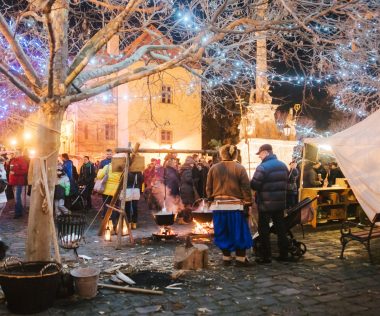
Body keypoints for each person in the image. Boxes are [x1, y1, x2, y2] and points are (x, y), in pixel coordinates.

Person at [206, 144, 253, 267]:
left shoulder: (213, 168)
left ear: (221, 154)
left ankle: (226, 258)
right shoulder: (240, 168)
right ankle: (240, 259)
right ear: (235, 154)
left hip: (219, 207)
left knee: (222, 232)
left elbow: (208, 188)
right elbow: (246, 188)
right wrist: (248, 202)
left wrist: (210, 199)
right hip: (235, 208)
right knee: (239, 232)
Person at [250, 144, 289, 264]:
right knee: (281, 229)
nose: (259, 157)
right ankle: (284, 254)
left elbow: (255, 185)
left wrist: (250, 181)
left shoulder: (262, 167)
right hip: (280, 203)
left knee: (264, 230)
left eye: (260, 154)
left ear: (266, 152)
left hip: (266, 204)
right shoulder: (283, 165)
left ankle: (266, 256)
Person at [96, 162, 122, 226]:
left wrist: (101, 170)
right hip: (116, 190)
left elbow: (99, 176)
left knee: (106, 206)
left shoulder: (107, 167)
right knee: (115, 206)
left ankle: (107, 223)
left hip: (106, 190)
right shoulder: (120, 168)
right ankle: (115, 223)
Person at [8, 150, 29, 219]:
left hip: (19, 182)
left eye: (16, 153)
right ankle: (19, 211)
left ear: (20, 154)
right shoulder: (13, 160)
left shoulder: (22, 161)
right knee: (16, 198)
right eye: (14, 153)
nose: (15, 154)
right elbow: (10, 169)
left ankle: (18, 213)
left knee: (17, 198)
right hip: (13, 182)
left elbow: (25, 171)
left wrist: (15, 173)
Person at [179, 156, 199, 223]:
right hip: (187, 190)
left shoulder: (183, 169)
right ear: (190, 163)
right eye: (192, 163)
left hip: (184, 189)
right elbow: (188, 179)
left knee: (185, 205)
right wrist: (196, 180)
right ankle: (187, 219)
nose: (193, 165)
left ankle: (184, 219)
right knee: (188, 205)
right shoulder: (188, 170)